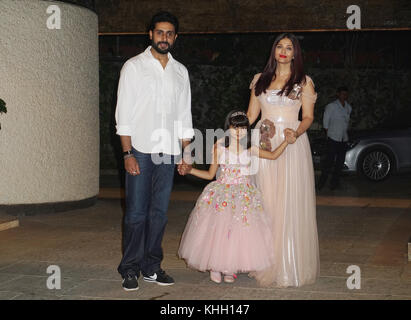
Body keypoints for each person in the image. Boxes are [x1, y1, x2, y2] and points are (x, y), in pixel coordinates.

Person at [114, 11, 194, 291]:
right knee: (136, 213)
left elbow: (185, 116)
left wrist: (187, 152)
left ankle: (152, 267)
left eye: (169, 33)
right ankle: (130, 268)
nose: (164, 38)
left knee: (159, 213)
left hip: (168, 152)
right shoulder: (134, 67)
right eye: (160, 32)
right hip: (140, 149)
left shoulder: (180, 71)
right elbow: (123, 115)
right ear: (150, 34)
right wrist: (127, 154)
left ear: (175, 37)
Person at [178, 111, 294, 284]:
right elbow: (210, 174)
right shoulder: (219, 147)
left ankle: (229, 267)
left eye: (243, 128)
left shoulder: (251, 149)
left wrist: (286, 141)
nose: (239, 131)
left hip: (244, 195)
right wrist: (190, 169)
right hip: (222, 192)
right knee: (219, 229)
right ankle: (216, 265)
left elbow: (273, 155)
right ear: (228, 128)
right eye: (235, 127)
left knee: (239, 231)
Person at [246, 33, 320, 287]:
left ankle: (288, 265)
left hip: (291, 143)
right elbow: (250, 116)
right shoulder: (260, 80)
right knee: (265, 201)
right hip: (263, 141)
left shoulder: (304, 82)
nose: (284, 51)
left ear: (295, 53)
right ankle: (264, 261)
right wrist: (234, 140)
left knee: (289, 202)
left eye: (289, 48)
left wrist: (296, 132)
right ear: (274, 50)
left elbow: (308, 117)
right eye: (280, 46)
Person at [317, 86, 352, 190]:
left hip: (343, 138)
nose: (344, 96)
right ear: (338, 94)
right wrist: (329, 135)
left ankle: (334, 183)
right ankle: (321, 184)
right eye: (342, 94)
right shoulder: (331, 106)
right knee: (328, 162)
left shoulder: (348, 107)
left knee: (340, 163)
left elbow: (347, 123)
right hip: (333, 138)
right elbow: (325, 122)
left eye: (346, 94)